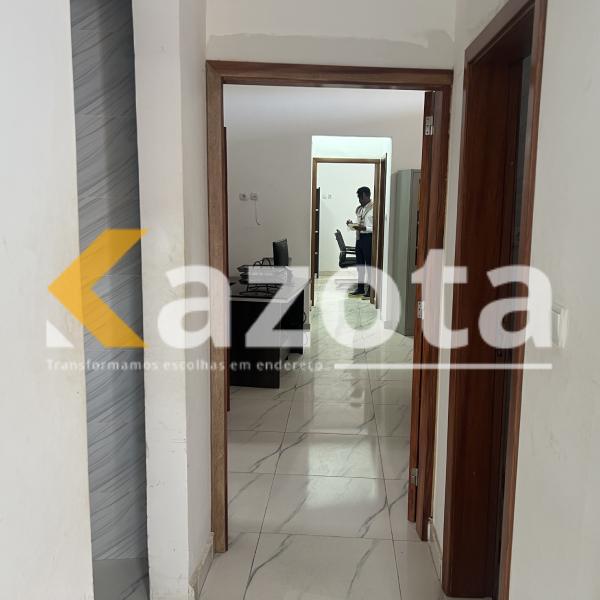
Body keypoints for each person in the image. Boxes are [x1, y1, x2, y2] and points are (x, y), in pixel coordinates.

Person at [346, 186, 374, 298]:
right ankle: (360, 288)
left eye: (359, 197)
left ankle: (370, 290)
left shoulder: (374, 208)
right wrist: (351, 224)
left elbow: (376, 227)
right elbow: (359, 224)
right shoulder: (360, 209)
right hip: (359, 239)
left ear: (365, 196)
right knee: (360, 265)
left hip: (369, 239)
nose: (359, 200)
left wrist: (365, 228)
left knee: (369, 266)